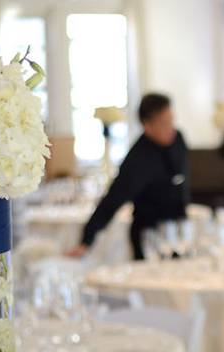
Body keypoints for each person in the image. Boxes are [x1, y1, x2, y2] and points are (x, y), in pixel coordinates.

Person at [67, 93, 189, 261]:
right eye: (163, 123)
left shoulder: (178, 140)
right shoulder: (138, 158)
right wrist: (86, 240)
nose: (170, 128)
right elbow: (113, 198)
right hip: (148, 237)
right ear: (147, 125)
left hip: (178, 231)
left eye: (171, 120)